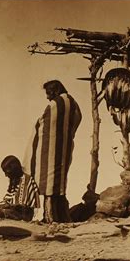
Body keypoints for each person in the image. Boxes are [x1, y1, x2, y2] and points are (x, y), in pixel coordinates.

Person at [23, 80, 82, 223]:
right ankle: (61, 217)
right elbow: (77, 118)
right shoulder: (72, 103)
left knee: (50, 186)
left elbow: (45, 123)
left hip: (52, 153)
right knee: (58, 187)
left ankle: (50, 218)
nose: (47, 97)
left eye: (49, 93)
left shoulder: (56, 104)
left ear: (55, 91)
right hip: (62, 152)